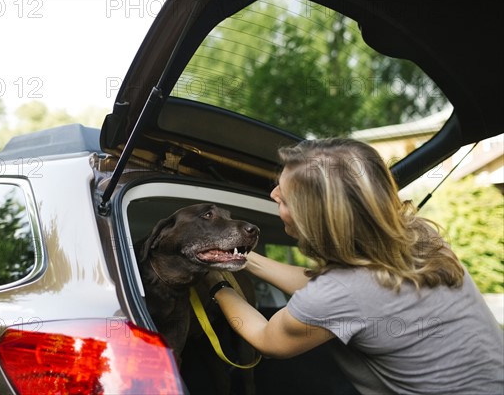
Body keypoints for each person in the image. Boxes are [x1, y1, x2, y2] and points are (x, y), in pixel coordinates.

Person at [204, 138, 504, 394]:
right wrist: (236, 256)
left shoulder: (341, 293)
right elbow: (329, 287)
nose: (273, 196)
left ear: (314, 220)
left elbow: (267, 338)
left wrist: (215, 281)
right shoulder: (419, 235)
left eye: (283, 198)